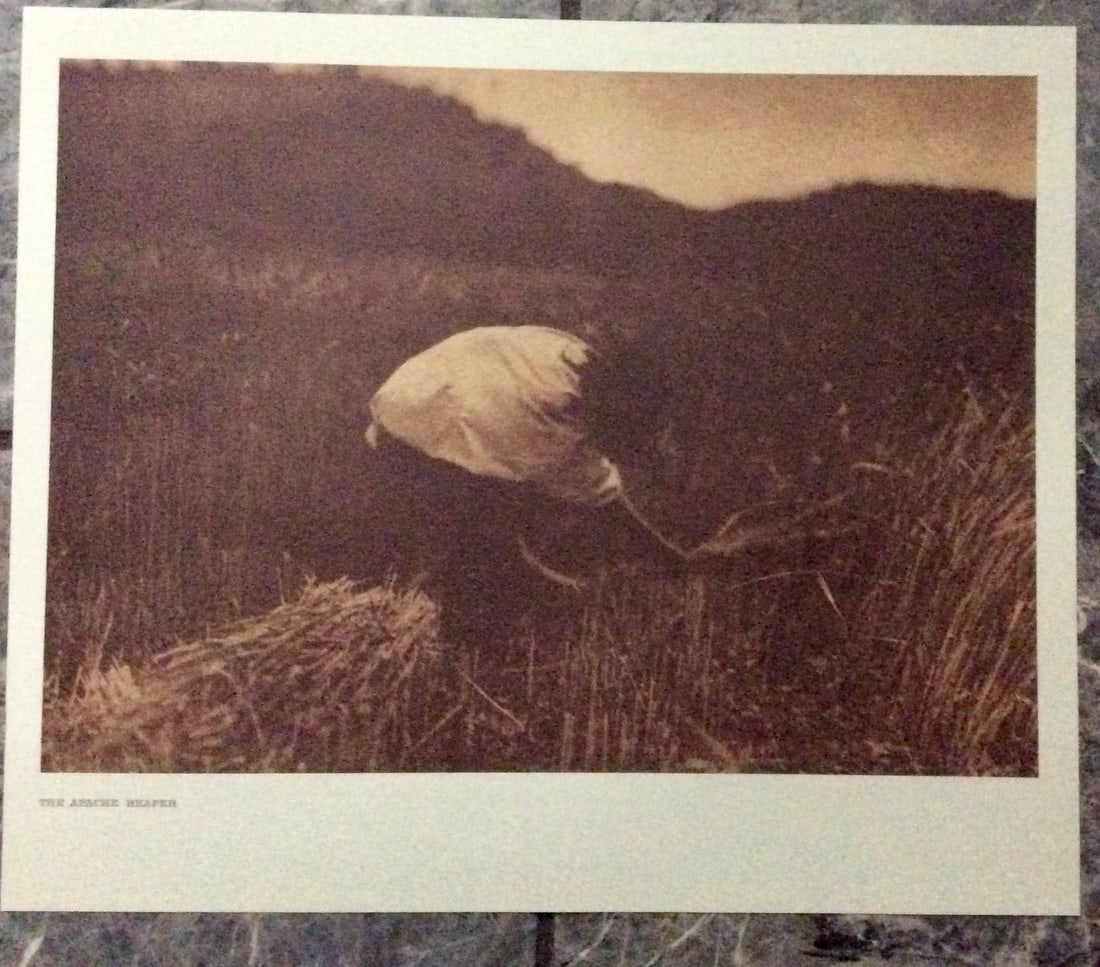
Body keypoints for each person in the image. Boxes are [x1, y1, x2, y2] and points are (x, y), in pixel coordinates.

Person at [364, 325, 684, 642]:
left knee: (499, 559)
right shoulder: (538, 420)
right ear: (613, 414)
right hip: (416, 422)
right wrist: (558, 584)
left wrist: (672, 559)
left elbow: (602, 496)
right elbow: (495, 531)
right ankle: (435, 630)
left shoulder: (579, 376)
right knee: (477, 570)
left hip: (458, 390)